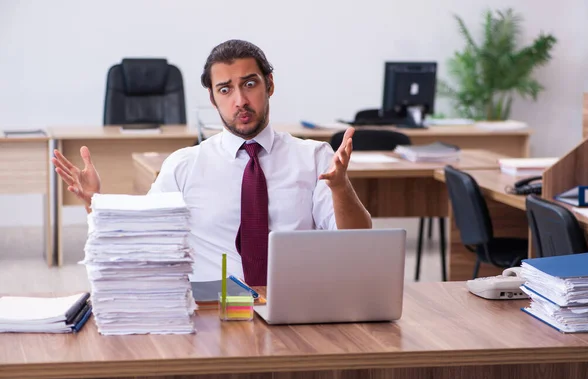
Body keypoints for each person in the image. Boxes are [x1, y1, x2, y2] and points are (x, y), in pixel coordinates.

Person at [52, 39, 372, 284]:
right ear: (213, 98)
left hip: (297, 304)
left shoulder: (314, 157)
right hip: (212, 313)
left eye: (249, 84)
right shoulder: (184, 166)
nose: (240, 101)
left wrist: (341, 189)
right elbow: (143, 239)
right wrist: (94, 203)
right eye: (225, 89)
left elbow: (358, 243)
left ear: (269, 85)